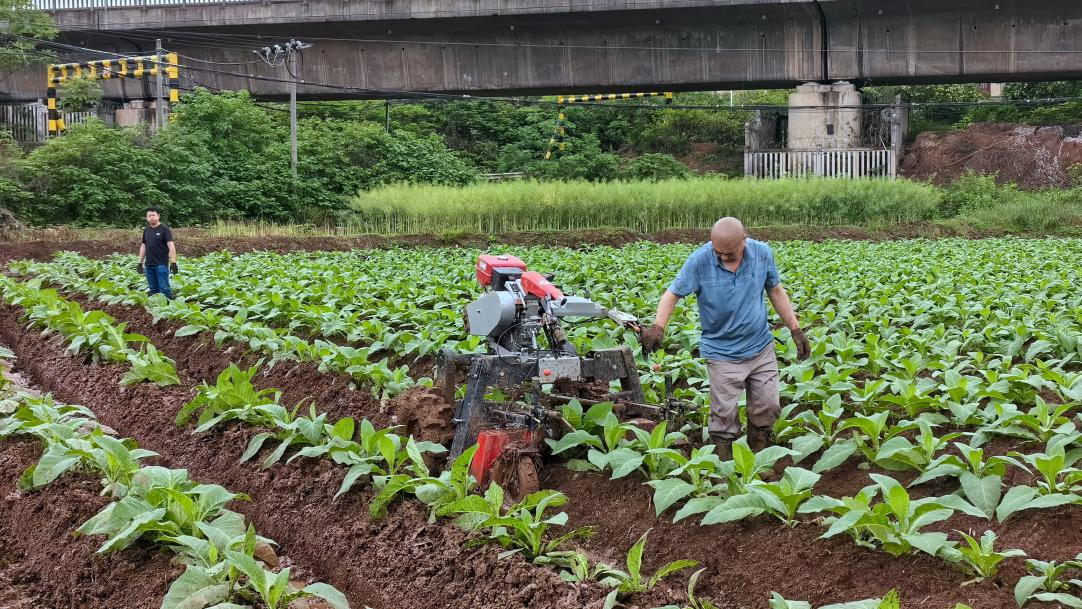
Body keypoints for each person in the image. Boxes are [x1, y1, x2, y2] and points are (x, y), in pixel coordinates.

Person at [640, 217, 810, 460]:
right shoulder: (700, 260)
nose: (724, 258)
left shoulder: (762, 254)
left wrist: (795, 329)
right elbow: (672, 294)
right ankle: (725, 471)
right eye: (719, 253)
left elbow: (775, 290)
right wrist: (658, 326)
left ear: (745, 239)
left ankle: (758, 462)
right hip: (721, 352)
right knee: (724, 416)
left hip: (760, 346)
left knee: (768, 406)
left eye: (730, 253)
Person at [136, 207, 178, 299]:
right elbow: (143, 246)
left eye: (153, 215)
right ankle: (157, 308)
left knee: (164, 288)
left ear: (158, 216)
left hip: (161, 264)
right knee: (153, 288)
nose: (151, 217)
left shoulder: (164, 229)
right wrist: (140, 262)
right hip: (149, 264)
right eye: (149, 215)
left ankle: (168, 308)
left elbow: (171, 246)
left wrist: (173, 262)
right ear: (147, 217)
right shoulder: (146, 230)